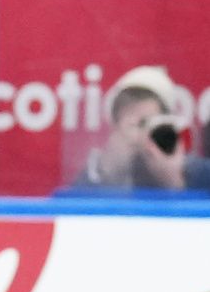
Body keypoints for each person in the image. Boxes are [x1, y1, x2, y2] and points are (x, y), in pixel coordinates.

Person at [63, 66, 210, 196]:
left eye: (146, 123)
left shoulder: (189, 168)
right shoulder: (98, 173)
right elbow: (75, 212)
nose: (140, 134)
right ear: (116, 126)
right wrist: (109, 169)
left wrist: (173, 181)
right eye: (133, 124)